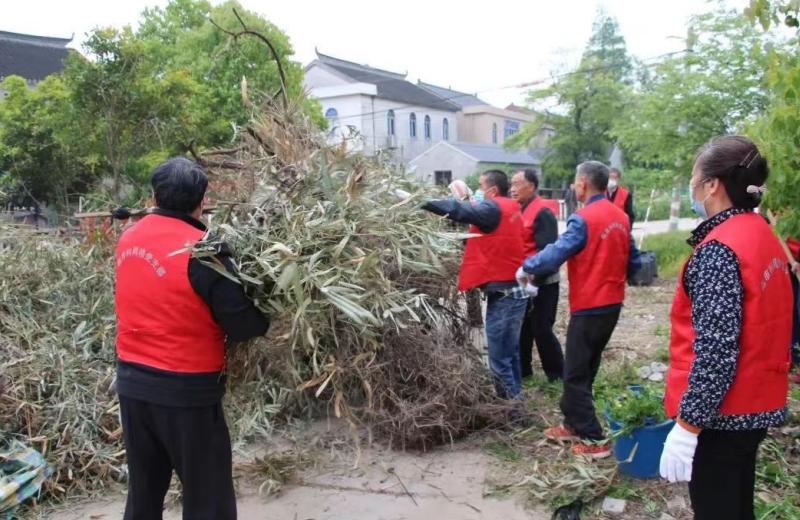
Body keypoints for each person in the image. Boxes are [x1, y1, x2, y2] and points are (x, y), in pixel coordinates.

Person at [114, 157, 270, 519]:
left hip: (133, 386)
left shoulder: (128, 238)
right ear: (202, 200)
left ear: (153, 196)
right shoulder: (203, 250)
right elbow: (244, 325)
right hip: (187, 393)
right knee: (207, 498)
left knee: (144, 492)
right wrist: (268, 312)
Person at [658, 136, 793, 520]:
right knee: (735, 504)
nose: (692, 186)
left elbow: (716, 351)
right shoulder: (759, 231)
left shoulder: (720, 249)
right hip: (758, 400)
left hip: (723, 414)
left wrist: (687, 428)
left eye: (694, 177)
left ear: (713, 184)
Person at [521, 161, 640, 458]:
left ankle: (593, 438)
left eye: (575, 183)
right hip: (612, 302)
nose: (574, 188)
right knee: (586, 367)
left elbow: (556, 254)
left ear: (583, 184)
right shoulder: (621, 217)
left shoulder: (583, 218)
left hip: (590, 304)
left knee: (574, 372)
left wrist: (527, 266)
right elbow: (634, 261)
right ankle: (573, 423)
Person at [422, 170, 528, 398]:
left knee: (499, 359)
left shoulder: (492, 207)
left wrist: (424, 202)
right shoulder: (509, 207)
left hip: (506, 293)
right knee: (511, 354)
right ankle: (517, 400)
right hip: (513, 290)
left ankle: (511, 411)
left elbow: (460, 211)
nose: (478, 190)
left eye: (480, 185)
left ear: (493, 190)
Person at [510, 169, 564, 382]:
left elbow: (548, 252)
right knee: (523, 328)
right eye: (511, 184)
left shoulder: (543, 212)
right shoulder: (521, 209)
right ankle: (524, 371)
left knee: (542, 329)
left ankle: (558, 375)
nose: (512, 189)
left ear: (531, 186)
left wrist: (536, 282)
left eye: (517, 184)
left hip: (544, 282)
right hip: (525, 280)